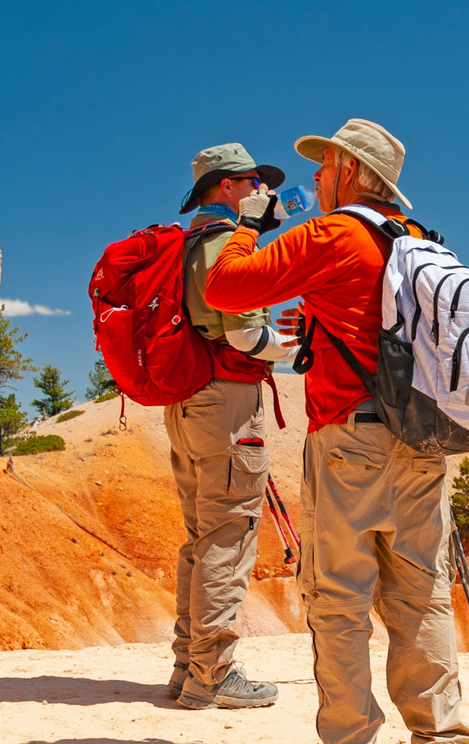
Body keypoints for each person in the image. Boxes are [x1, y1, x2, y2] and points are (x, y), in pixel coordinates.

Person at [205, 119, 469, 744]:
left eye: (325, 166)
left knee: (340, 601)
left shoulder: (331, 235)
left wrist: (251, 223)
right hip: (425, 443)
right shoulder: (418, 241)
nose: (316, 179)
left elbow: (228, 288)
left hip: (349, 443)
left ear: (351, 171)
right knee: (422, 596)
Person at [164, 143, 297, 710]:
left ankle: (187, 665)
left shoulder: (188, 241)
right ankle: (212, 674)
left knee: (202, 536)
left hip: (189, 401)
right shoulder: (222, 245)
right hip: (226, 403)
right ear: (226, 188)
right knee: (230, 536)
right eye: (251, 183)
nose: (262, 193)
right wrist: (302, 349)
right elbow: (245, 334)